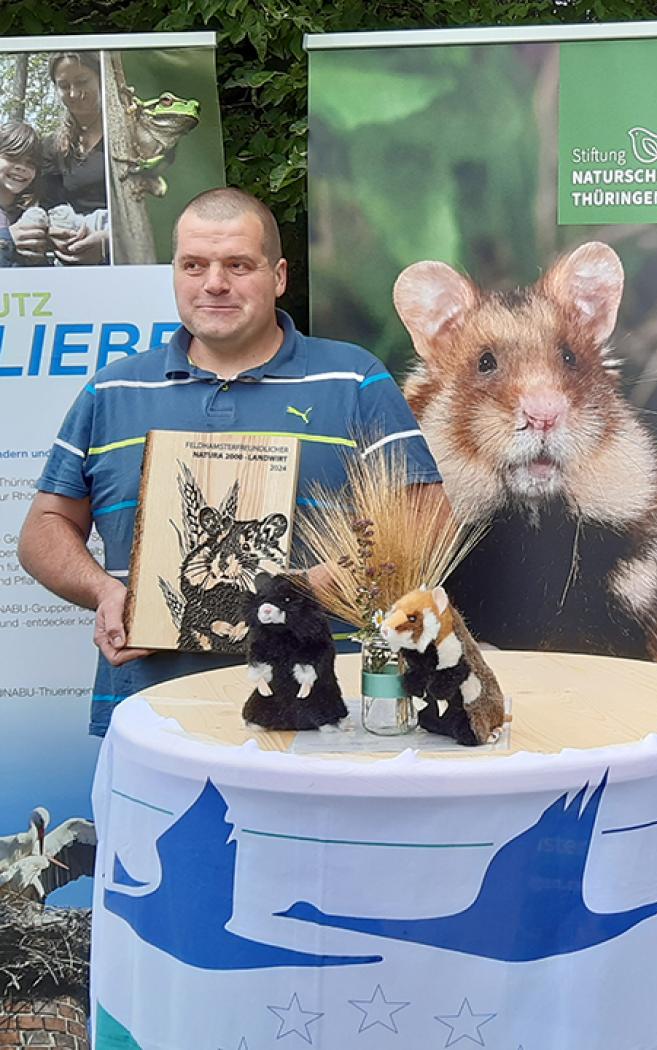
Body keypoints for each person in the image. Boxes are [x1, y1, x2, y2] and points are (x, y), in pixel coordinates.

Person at [18, 187, 441, 736]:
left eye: (238, 265)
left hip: (319, 717)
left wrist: (312, 589)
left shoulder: (353, 380)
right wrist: (104, 591)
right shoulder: (112, 391)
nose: (214, 283)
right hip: (152, 717)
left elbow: (429, 517)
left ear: (279, 276)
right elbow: (44, 529)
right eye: (194, 265)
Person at [12, 51, 109, 265]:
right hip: (70, 248)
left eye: (82, 81)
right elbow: (50, 204)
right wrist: (56, 235)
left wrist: (108, 243)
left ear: (102, 78)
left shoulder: (127, 137)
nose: (74, 93)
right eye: (64, 86)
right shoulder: (52, 147)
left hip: (118, 246)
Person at [0, 121, 43, 266]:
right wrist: (7, 239)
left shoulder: (33, 215)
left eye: (30, 163)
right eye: (13, 157)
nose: (21, 167)